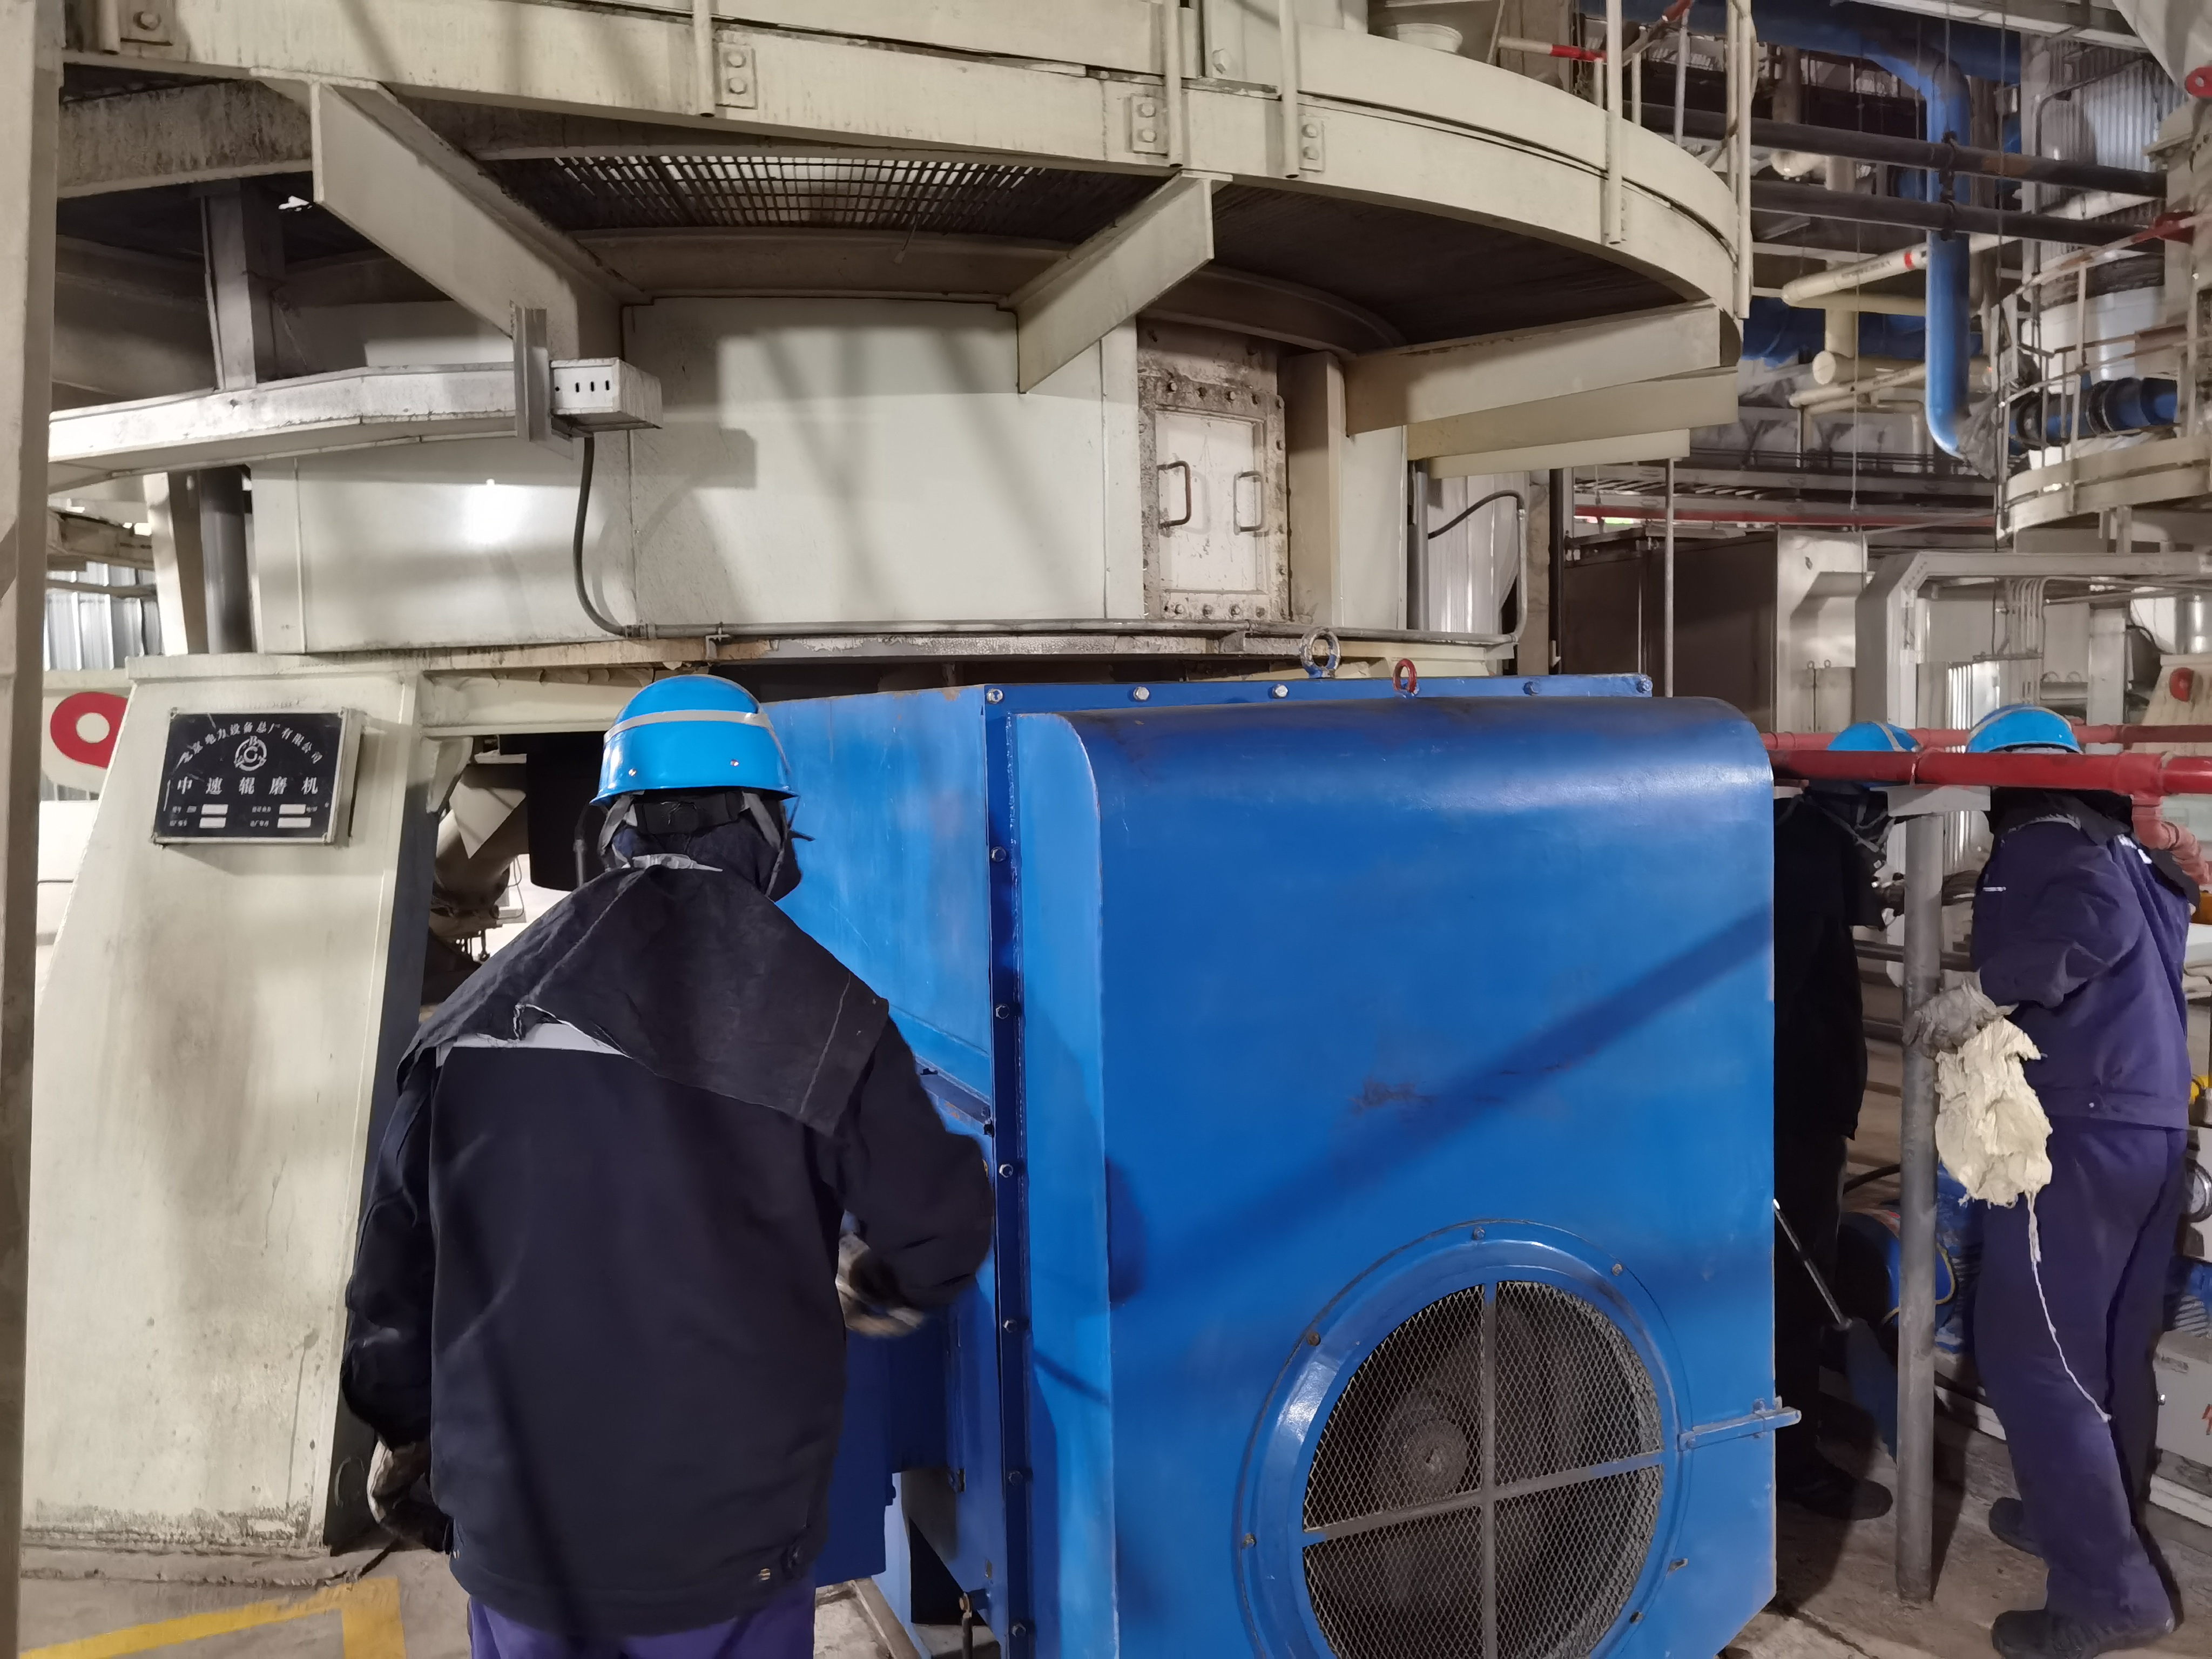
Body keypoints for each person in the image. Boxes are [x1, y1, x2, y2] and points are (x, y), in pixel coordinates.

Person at [341, 676, 996, 1659]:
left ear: (611, 828)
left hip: (521, 1534)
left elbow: (392, 1276)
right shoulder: (827, 1016)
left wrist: (406, 1430)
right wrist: (871, 1287)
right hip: (727, 1547)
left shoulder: (474, 1017)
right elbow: (940, 1226)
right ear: (767, 830)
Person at [1906, 704, 2195, 1659]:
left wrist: (1987, 990)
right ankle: (2081, 1517)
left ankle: (2110, 1593)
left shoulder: (2038, 831)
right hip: (2150, 1123)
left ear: (1999, 779)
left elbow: (2091, 924)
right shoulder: (2124, 844)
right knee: (2108, 1343)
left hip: (2075, 1129)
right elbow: (2154, 915)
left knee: (2032, 1355)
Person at [1771, 719, 1911, 1521]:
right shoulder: (1811, 862)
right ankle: (1793, 1464)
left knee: (1789, 1285)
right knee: (1797, 1292)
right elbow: (1775, 1000)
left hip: (1791, 1109)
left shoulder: (1788, 838)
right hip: (1792, 1117)